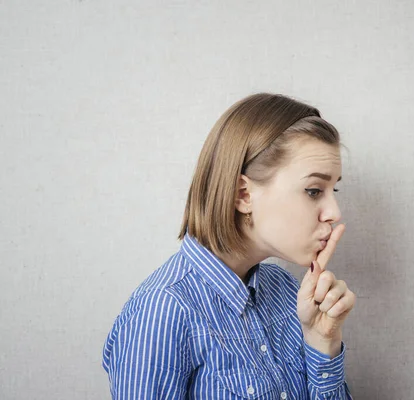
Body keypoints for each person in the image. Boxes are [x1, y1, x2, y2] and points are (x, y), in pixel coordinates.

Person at [102, 93, 356, 399]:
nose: (334, 212)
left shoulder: (289, 292)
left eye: (334, 188)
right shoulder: (163, 311)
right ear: (243, 195)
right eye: (315, 190)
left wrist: (322, 340)